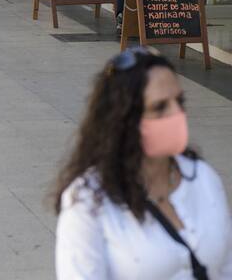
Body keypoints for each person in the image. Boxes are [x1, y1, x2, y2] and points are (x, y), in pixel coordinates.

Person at [54, 46, 232, 278]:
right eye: (159, 107)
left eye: (179, 101)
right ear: (124, 119)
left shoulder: (203, 178)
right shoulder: (88, 201)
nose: (176, 113)